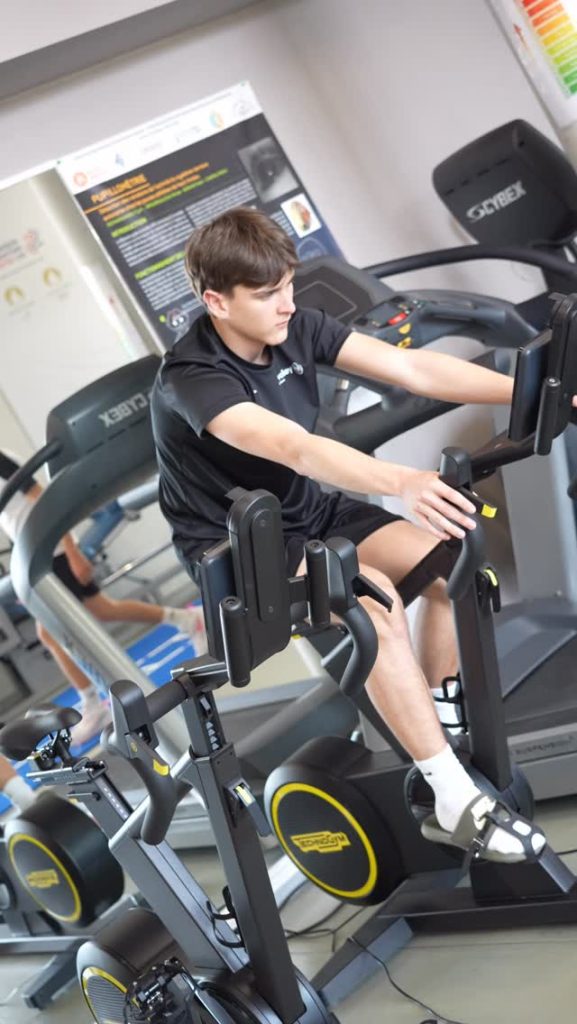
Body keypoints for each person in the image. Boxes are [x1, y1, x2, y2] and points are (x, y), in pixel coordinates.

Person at [150, 206, 545, 864]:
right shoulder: (192, 378)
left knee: (457, 565)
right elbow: (291, 446)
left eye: (289, 286)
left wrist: (526, 394)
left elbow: (413, 370)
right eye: (268, 294)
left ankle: (437, 728)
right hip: (241, 552)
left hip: (310, 512)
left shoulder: (296, 327)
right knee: (374, 605)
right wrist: (399, 482)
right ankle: (452, 800)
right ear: (214, 300)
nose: (287, 304)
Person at [0, 449, 206, 747]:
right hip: (34, 554)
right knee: (103, 609)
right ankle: (188, 620)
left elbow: (42, 500)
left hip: (49, 552)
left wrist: (73, 553)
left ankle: (92, 706)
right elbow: (16, 519)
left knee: (50, 634)